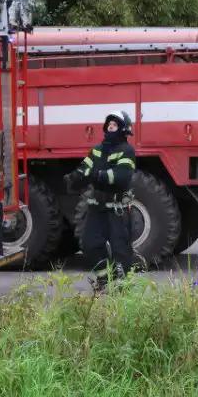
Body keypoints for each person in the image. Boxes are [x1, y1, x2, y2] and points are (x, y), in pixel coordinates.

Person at [64, 109, 138, 291]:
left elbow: (121, 176)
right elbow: (84, 169)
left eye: (115, 125)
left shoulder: (127, 151)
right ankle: (105, 277)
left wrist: (97, 175)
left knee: (121, 249)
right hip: (96, 207)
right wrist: (74, 178)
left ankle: (122, 288)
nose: (111, 128)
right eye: (109, 124)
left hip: (118, 209)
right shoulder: (97, 150)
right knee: (90, 245)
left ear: (124, 129)